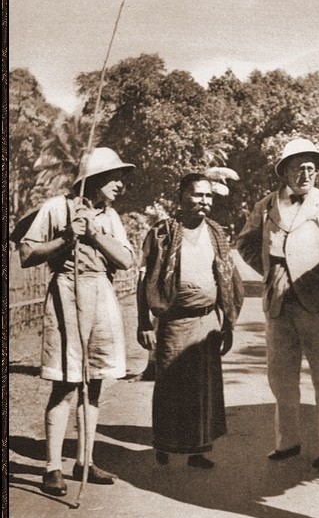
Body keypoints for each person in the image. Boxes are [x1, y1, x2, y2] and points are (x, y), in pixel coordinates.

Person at [237, 137, 319, 469]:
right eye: (298, 167)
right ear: (285, 171)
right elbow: (246, 242)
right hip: (279, 303)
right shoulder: (265, 206)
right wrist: (269, 271)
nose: (306, 174)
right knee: (281, 378)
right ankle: (287, 442)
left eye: (311, 167)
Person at [18, 147, 135, 497]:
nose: (120, 185)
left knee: (95, 380)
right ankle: (52, 467)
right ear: (94, 179)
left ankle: (85, 460)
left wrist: (94, 234)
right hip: (67, 290)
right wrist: (67, 237)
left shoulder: (110, 217)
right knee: (66, 382)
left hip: (101, 290)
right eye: (114, 178)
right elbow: (26, 254)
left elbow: (126, 260)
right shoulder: (56, 207)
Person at [137, 173, 245, 469]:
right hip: (173, 321)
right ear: (182, 196)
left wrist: (227, 324)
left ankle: (198, 451)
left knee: (204, 389)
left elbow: (226, 280)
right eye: (197, 195)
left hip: (207, 321)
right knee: (170, 384)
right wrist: (144, 323)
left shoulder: (215, 233)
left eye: (208, 196)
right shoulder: (162, 233)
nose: (204, 201)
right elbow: (144, 279)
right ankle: (164, 446)